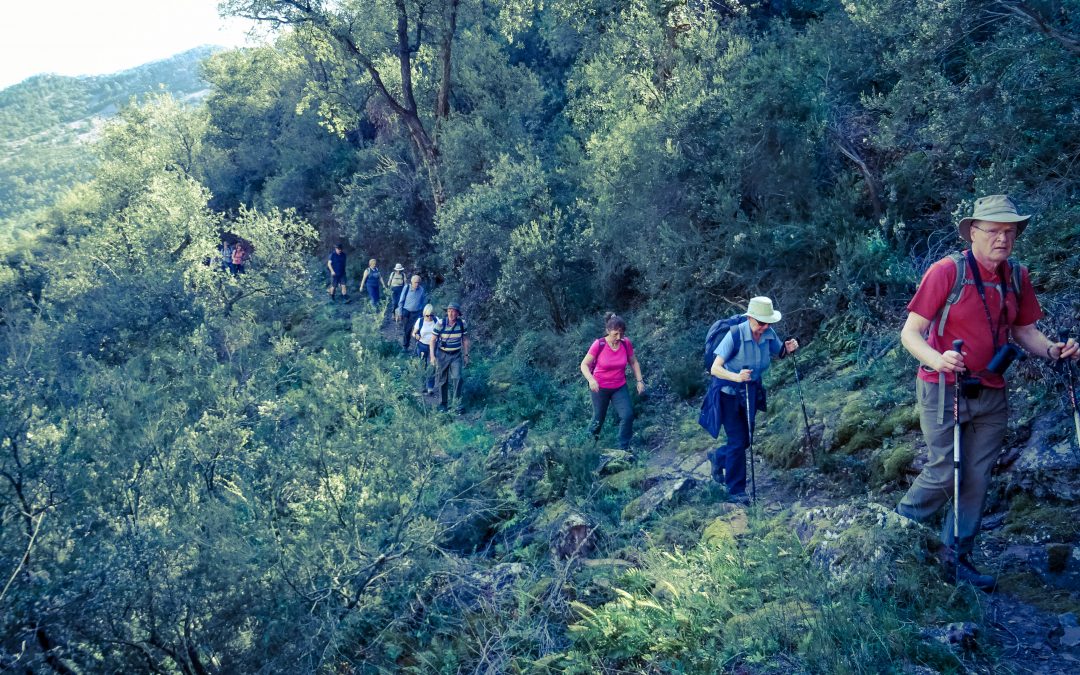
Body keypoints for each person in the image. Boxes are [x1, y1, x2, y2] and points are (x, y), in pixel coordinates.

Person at [895, 194, 1078, 591]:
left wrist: (1053, 350)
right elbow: (911, 333)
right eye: (994, 230)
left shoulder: (1016, 277)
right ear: (973, 233)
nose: (1003, 238)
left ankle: (956, 558)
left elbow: (1024, 331)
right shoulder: (947, 272)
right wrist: (938, 359)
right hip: (944, 388)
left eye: (1010, 232)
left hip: (991, 391)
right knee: (944, 470)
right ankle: (894, 536)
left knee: (976, 478)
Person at [706, 297, 798, 504]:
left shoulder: (768, 334)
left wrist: (788, 348)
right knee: (738, 441)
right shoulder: (735, 334)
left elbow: (779, 351)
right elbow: (715, 368)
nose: (765, 327)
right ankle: (736, 491)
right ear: (749, 318)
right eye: (761, 323)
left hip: (750, 393)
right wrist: (736, 376)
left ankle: (718, 457)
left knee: (745, 440)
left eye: (768, 323)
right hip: (728, 394)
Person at [580, 313, 646, 451]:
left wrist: (640, 381)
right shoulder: (599, 344)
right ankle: (587, 449)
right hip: (600, 387)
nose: (618, 337)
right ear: (608, 331)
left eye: (621, 334)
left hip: (619, 387)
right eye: (616, 334)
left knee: (627, 415)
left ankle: (623, 450)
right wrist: (591, 380)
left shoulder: (625, 343)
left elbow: (633, 362)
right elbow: (584, 365)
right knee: (598, 419)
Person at [430, 302, 470, 413]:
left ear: (457, 313)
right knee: (442, 379)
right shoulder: (440, 323)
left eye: (453, 311)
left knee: (457, 378)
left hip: (456, 354)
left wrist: (466, 355)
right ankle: (443, 404)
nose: (451, 314)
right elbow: (432, 340)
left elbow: (465, 339)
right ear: (447, 312)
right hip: (442, 354)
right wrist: (432, 356)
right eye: (449, 311)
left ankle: (456, 404)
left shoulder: (462, 324)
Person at [412, 304, 438, 394]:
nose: (429, 317)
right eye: (427, 315)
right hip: (422, 345)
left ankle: (430, 387)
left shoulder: (436, 320)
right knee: (422, 365)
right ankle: (422, 385)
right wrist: (416, 336)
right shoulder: (420, 321)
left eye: (431, 315)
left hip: (433, 346)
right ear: (424, 314)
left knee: (432, 365)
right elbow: (414, 333)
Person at [397, 275, 428, 350]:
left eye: (418, 282)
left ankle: (418, 348)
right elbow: (401, 301)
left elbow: (422, 302)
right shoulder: (407, 288)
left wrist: (423, 312)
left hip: (416, 313)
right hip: (406, 312)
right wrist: (400, 313)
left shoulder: (421, 290)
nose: (417, 284)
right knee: (407, 330)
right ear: (412, 282)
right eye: (415, 282)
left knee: (418, 330)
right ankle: (405, 347)